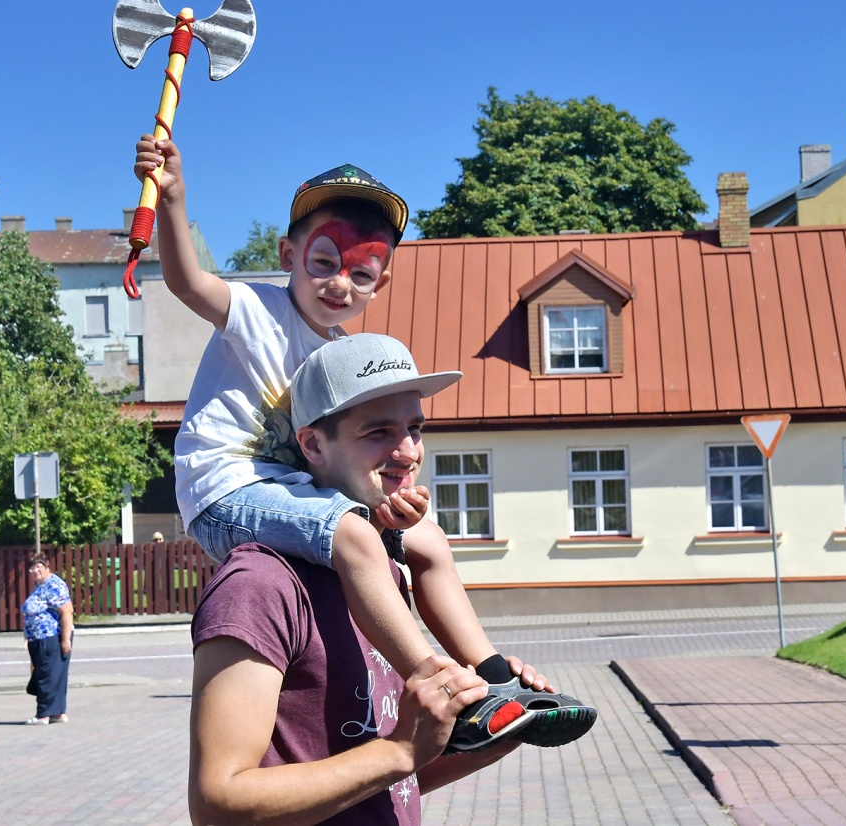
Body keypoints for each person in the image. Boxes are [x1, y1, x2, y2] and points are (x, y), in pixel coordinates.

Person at [135, 140, 594, 750]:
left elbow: (347, 462)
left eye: (360, 273)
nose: (339, 284)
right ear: (288, 254)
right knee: (351, 534)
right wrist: (172, 198)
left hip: (298, 493)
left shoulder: (340, 357)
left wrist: (392, 507)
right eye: (324, 262)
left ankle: (494, 677)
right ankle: (439, 686)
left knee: (428, 540)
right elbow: (186, 282)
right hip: (227, 491)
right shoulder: (257, 310)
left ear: (381, 283)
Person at [190, 335, 595, 823]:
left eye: (415, 427)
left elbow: (384, 779)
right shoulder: (260, 584)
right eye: (378, 432)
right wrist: (400, 750)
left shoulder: (383, 571)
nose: (407, 451)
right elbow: (219, 805)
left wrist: (487, 731)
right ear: (313, 444)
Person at [21, 552, 74, 725]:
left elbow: (67, 612)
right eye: (32, 568)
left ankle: (43, 715)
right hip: (39, 638)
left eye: (39, 566)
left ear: (47, 567)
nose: (35, 570)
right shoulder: (41, 586)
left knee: (47, 676)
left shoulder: (54, 585)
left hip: (51, 637)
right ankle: (57, 713)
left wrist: (65, 640)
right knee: (51, 675)